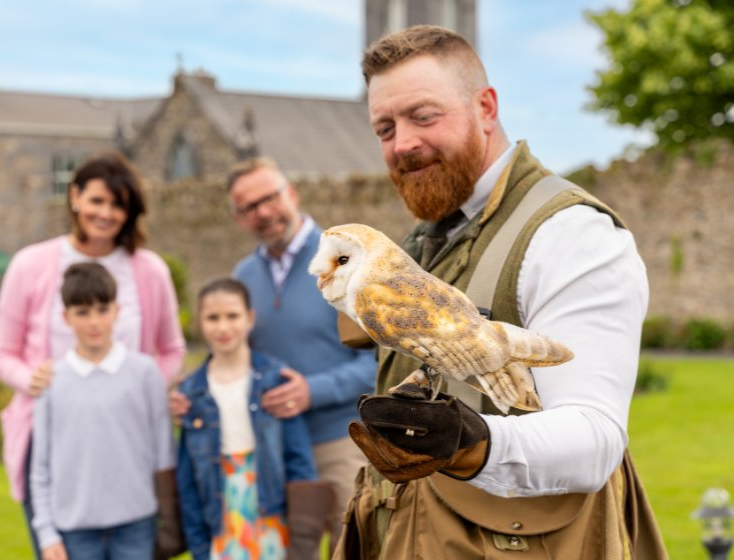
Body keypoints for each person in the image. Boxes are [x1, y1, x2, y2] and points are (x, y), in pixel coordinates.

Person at [336, 25, 667, 559]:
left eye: (423, 116)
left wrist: (473, 442)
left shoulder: (569, 233)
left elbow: (595, 439)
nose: (403, 143)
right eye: (384, 128)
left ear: (486, 108)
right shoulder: (423, 242)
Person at [0, 151, 187, 558]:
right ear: (75, 197)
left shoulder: (148, 269)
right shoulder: (30, 264)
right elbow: (3, 353)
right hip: (51, 436)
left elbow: (170, 350)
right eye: (97, 200)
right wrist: (32, 379)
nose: (106, 213)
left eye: (118, 204)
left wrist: (147, 388)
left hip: (127, 439)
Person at [224, 157, 377, 546]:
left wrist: (313, 390)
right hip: (276, 450)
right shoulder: (243, 278)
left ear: (291, 194)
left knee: (360, 548)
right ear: (239, 218)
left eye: (270, 198)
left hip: (343, 441)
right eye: (249, 207)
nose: (263, 212)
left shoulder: (345, 263)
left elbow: (381, 362)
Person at [31, 262, 179, 560]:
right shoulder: (51, 381)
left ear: (116, 311)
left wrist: (170, 519)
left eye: (102, 309)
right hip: (74, 528)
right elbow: (41, 466)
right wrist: (47, 533)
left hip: (136, 523)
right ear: (66, 317)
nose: (94, 322)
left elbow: (163, 452)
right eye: (82, 312)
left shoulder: (144, 372)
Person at [176, 277, 330, 560]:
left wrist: (303, 538)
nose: (223, 327)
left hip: (270, 507)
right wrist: (198, 543)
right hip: (221, 510)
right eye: (213, 318)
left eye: (232, 316)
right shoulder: (191, 391)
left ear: (249, 318)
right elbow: (187, 479)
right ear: (200, 321)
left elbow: (299, 461)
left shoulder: (275, 379)